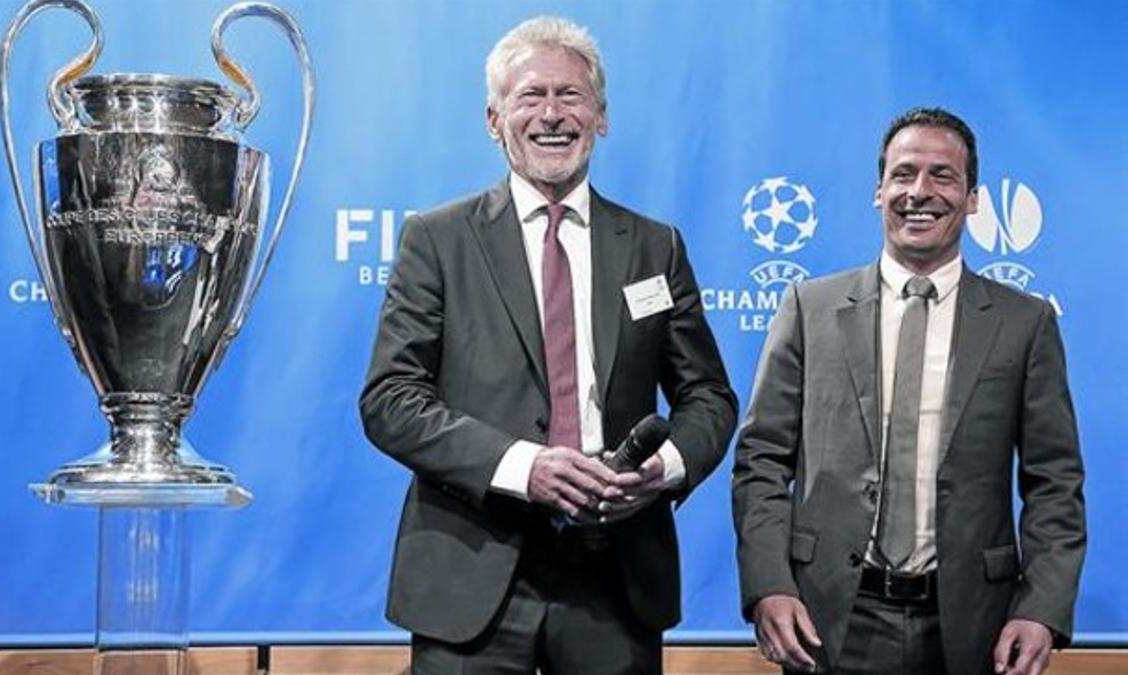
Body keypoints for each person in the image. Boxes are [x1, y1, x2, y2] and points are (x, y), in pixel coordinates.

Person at [359, 15, 737, 675]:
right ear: (494, 119)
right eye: (530, 96)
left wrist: (664, 468)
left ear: (602, 117)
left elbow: (708, 395)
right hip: (470, 575)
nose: (552, 114)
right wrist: (523, 465)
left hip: (616, 578)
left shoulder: (655, 246)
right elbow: (390, 398)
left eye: (571, 96)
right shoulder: (437, 240)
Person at [732, 107, 1085, 675]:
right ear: (878, 191)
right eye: (903, 174)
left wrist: (1041, 608)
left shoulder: (1025, 323)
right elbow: (762, 460)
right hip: (829, 619)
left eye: (942, 175)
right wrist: (769, 583)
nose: (919, 192)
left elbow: (1054, 482)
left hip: (973, 625)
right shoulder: (809, 308)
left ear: (973, 197)